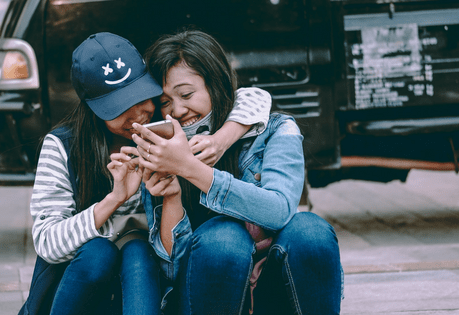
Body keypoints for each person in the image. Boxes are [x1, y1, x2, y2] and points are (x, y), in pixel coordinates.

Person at [20, 32, 272, 315]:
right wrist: (114, 199)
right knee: (99, 252)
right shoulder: (64, 147)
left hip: (148, 275)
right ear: (93, 109)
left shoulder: (166, 128)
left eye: (141, 97)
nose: (138, 114)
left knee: (137, 251)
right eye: (118, 108)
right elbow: (47, 242)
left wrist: (221, 139)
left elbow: (255, 98)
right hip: (82, 280)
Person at [132, 30, 343, 315]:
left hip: (274, 288)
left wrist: (192, 169)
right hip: (204, 291)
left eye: (186, 94)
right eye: (166, 101)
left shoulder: (276, 130)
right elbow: (172, 267)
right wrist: (171, 196)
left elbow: (279, 209)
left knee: (311, 231)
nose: (178, 109)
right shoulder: (161, 150)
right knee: (223, 238)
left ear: (215, 84)